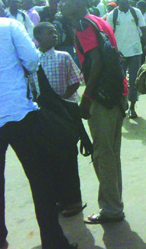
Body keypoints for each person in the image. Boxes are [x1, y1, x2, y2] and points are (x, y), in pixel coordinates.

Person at [0, 18, 77, 249]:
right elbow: (33, 60)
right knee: (40, 179)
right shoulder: (9, 26)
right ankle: (53, 241)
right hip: (18, 113)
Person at [59, 0, 128, 225]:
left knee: (103, 155)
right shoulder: (97, 20)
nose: (60, 5)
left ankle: (111, 209)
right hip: (117, 91)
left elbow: (96, 61)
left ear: (79, 2)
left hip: (102, 97)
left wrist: (86, 100)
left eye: (64, 0)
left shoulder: (83, 24)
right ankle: (115, 204)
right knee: (111, 153)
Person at [33, 22, 86, 218]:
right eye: (49, 33)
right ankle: (60, 198)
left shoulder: (63, 57)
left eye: (56, 32)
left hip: (65, 111)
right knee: (51, 157)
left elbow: (75, 81)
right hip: (45, 113)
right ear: (37, 38)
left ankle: (74, 200)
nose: (55, 35)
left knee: (68, 157)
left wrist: (62, 100)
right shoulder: (34, 60)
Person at [107, 0, 146, 119]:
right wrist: (112, 51)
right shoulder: (112, 15)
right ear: (117, 1)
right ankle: (123, 103)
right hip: (119, 53)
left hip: (135, 52)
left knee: (134, 81)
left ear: (129, 0)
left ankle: (132, 107)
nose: (123, 1)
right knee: (120, 80)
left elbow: (144, 30)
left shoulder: (136, 12)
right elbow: (109, 35)